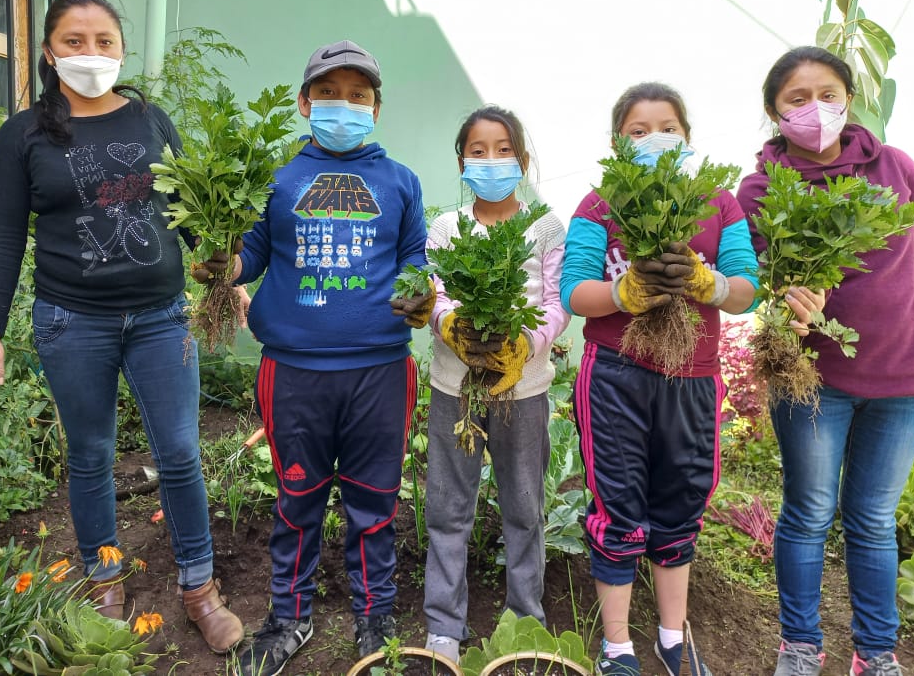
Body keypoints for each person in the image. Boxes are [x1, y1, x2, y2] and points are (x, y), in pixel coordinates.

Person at [0, 0, 244, 653]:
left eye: (103, 41)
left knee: (180, 452)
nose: (90, 53)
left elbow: (191, 210)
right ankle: (104, 580)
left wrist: (222, 266)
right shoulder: (23, 135)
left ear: (121, 50)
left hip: (161, 318)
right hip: (72, 321)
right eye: (74, 41)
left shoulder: (151, 120)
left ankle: (200, 588)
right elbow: (4, 235)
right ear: (48, 52)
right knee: (90, 455)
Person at [736, 47, 914, 676]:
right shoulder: (760, 189)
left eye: (828, 95)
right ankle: (800, 645)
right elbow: (747, 278)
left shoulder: (896, 168)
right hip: (814, 380)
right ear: (774, 111)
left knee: (873, 519)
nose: (815, 109)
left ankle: (875, 654)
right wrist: (782, 300)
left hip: (903, 378)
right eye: (797, 98)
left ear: (849, 100)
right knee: (809, 513)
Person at [222, 40, 434, 676]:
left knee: (376, 501)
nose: (344, 105)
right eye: (330, 93)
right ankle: (289, 617)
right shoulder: (275, 177)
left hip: (379, 372)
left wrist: (420, 293)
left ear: (376, 109)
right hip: (293, 371)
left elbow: (415, 259)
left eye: (358, 95)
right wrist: (221, 263)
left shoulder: (400, 182)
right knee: (296, 498)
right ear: (304, 102)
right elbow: (251, 255)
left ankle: (376, 618)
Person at [559, 82, 761, 676]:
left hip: (692, 377)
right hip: (615, 374)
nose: (655, 139)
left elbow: (746, 290)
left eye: (668, 128)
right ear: (617, 146)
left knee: (681, 500)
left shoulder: (718, 203)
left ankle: (674, 638)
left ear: (688, 136)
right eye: (639, 131)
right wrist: (622, 293)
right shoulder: (600, 205)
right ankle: (618, 647)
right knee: (617, 503)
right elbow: (575, 292)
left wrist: (710, 285)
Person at [421, 106, 571, 664]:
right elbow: (435, 294)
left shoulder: (546, 228)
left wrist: (523, 345)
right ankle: (443, 626)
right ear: (462, 162)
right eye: (478, 151)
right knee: (448, 505)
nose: (491, 160)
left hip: (523, 389)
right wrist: (451, 328)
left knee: (524, 506)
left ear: (522, 160)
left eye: (503, 150)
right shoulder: (446, 228)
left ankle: (525, 619)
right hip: (455, 385)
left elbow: (556, 303)